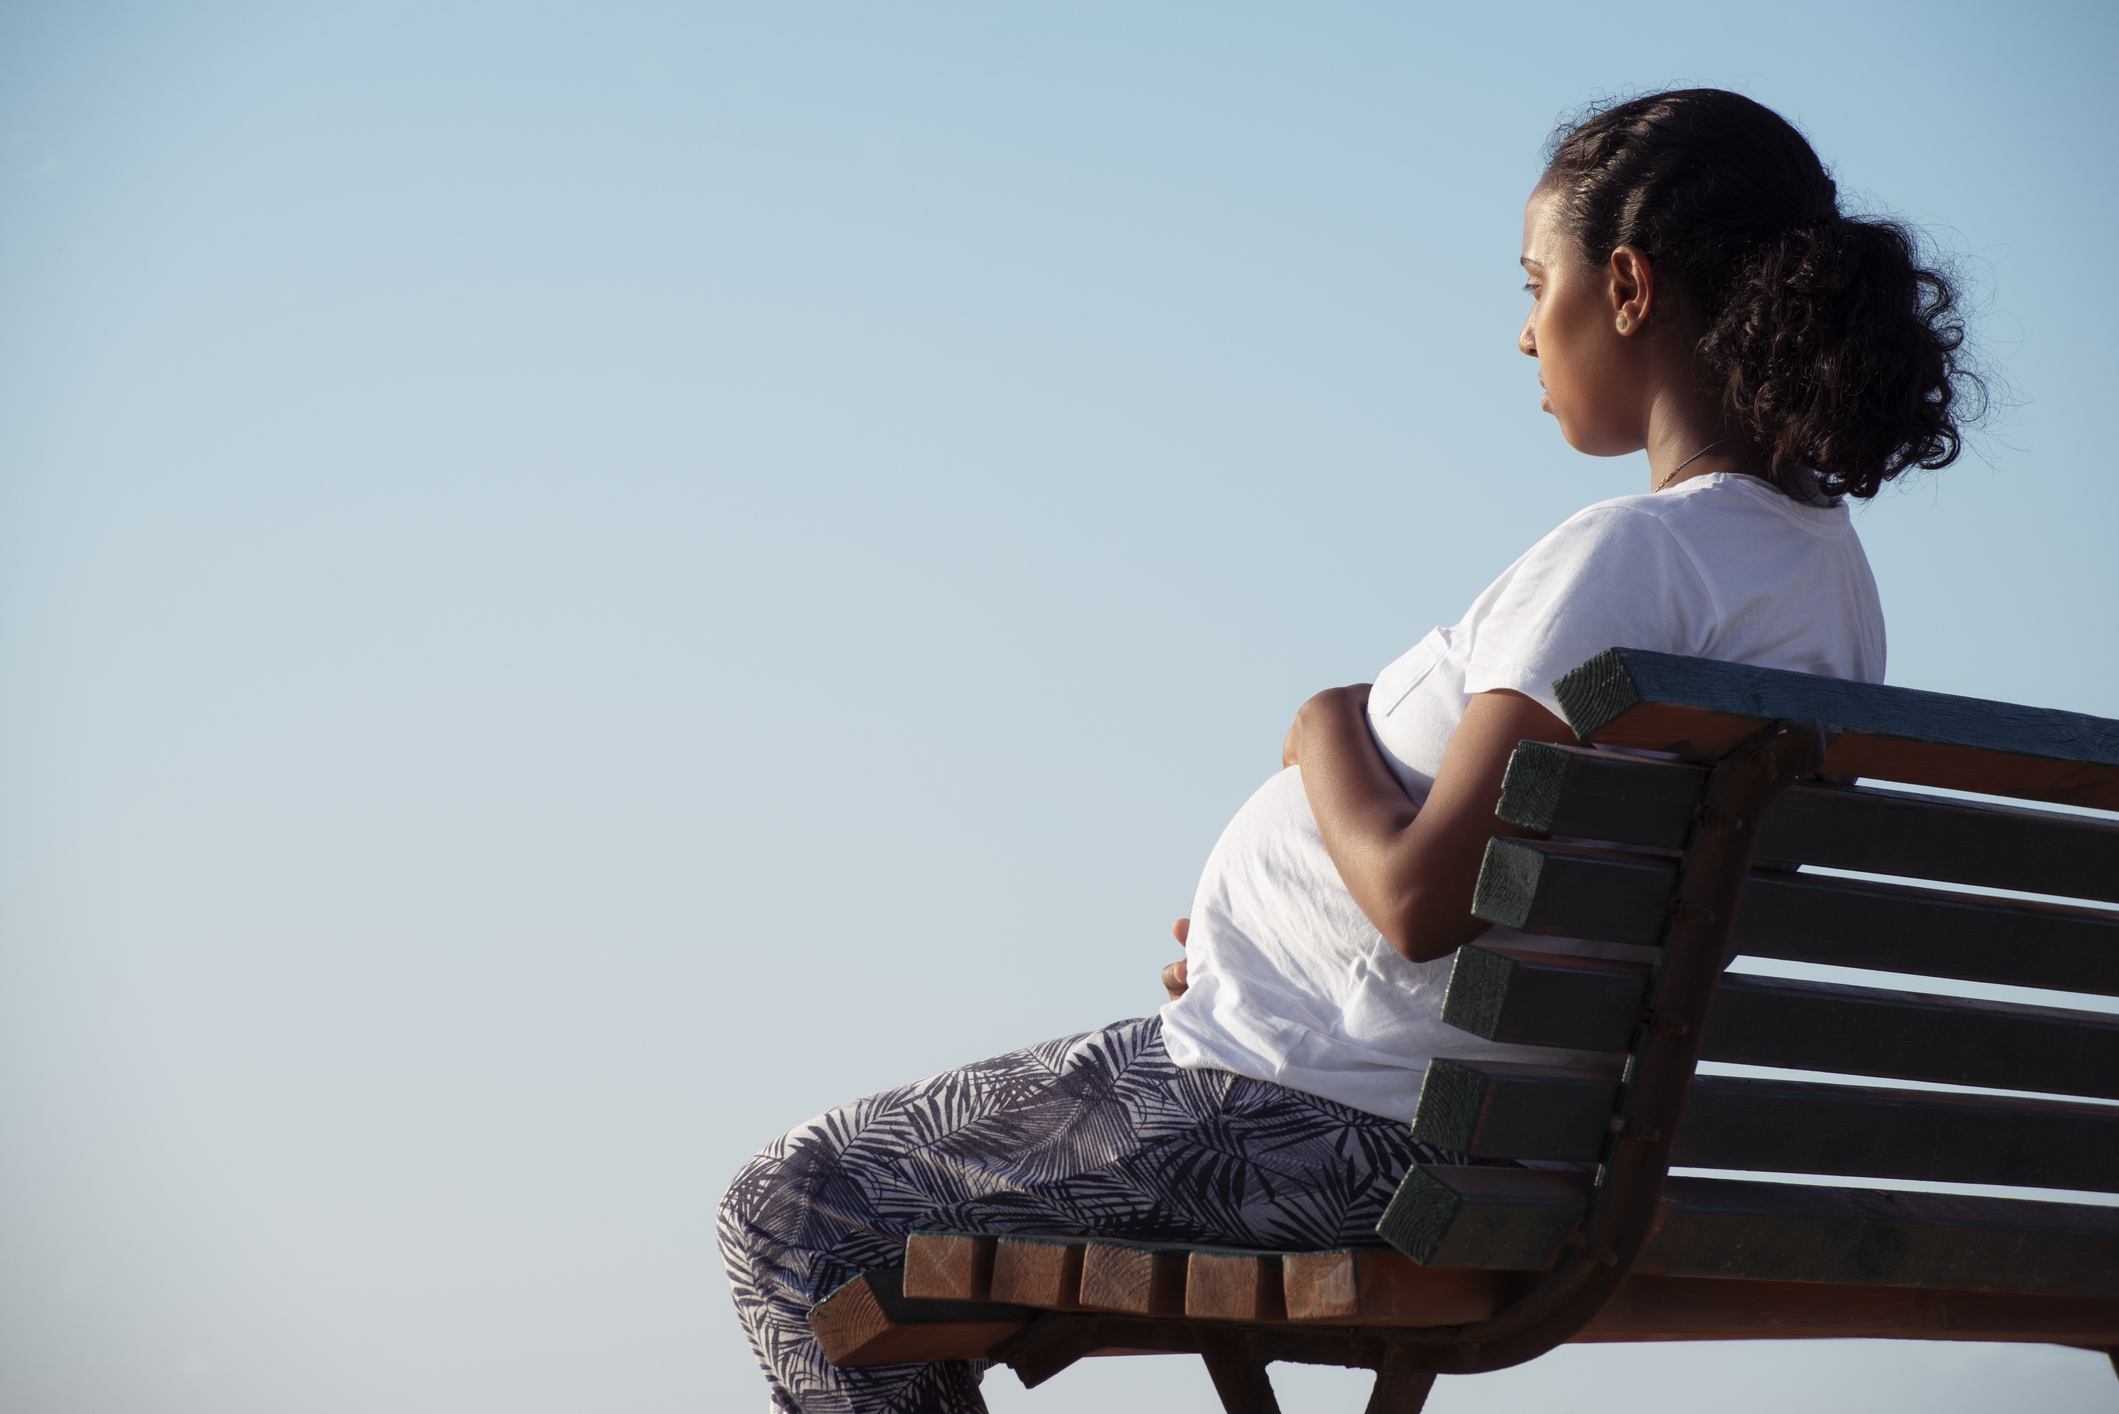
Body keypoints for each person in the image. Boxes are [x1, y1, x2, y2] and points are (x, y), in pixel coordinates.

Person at [717, 88, 1978, 1414]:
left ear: (1624, 286)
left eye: (1535, 283)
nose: (1522, 329)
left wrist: (1325, 724)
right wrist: (1276, 937)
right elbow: (1566, 920)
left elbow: (1427, 900)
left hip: (1334, 1134)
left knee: (794, 1207)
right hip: (1500, 1138)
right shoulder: (1827, 587)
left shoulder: (1633, 559)